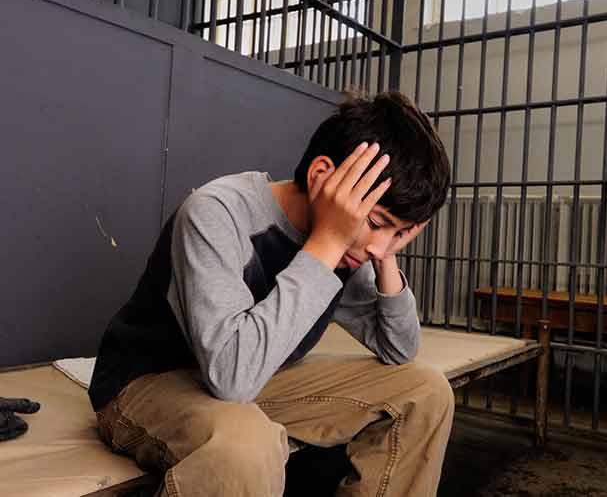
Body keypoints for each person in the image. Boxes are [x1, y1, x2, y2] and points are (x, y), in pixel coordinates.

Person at [88, 90, 454, 496]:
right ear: (321, 177)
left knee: (425, 390)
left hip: (253, 381)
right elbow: (230, 377)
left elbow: (399, 349)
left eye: (399, 233)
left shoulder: (353, 247)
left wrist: (387, 257)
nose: (377, 246)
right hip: (146, 384)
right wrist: (327, 243)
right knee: (247, 447)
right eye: (376, 221)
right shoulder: (216, 212)